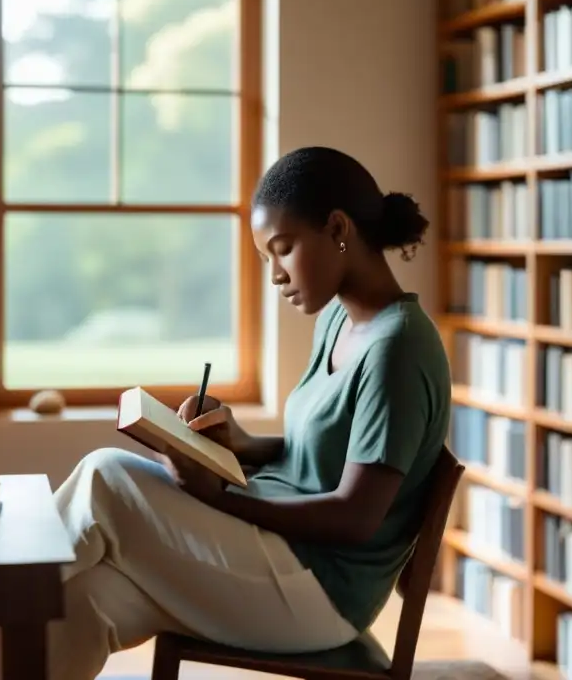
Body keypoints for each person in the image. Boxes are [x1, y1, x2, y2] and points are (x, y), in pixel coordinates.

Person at [47, 146, 451, 680]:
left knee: (106, 475)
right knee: (86, 599)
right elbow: (320, 458)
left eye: (282, 250)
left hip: (319, 591)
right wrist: (242, 444)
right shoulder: (339, 323)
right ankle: (12, 592)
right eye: (266, 260)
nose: (276, 275)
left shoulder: (396, 350)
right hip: (281, 558)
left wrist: (224, 498)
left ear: (337, 228)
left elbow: (356, 517)